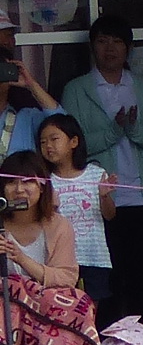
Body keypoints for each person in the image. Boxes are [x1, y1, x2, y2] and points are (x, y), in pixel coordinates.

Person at [59, 14, 143, 330]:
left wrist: (131, 127)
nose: (110, 48)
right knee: (106, 282)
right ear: (92, 47)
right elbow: (73, 146)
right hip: (98, 201)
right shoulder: (77, 89)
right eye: (102, 41)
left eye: (117, 42)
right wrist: (113, 130)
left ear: (128, 48)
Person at [2, 148, 95, 345]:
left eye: (28, 181)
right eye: (11, 182)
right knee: (6, 299)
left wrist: (21, 259)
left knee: (80, 303)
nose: (19, 189)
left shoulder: (59, 225)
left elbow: (67, 277)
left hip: (45, 299)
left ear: (42, 185)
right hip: (8, 302)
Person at [36, 113, 112, 311]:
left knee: (89, 311)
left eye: (54, 139)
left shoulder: (96, 174)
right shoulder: (45, 180)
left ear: (74, 142)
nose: (48, 146)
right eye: (43, 142)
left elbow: (110, 215)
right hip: (59, 259)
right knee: (62, 310)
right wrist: (50, 208)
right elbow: (41, 221)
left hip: (94, 256)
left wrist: (104, 197)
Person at [0, 8, 63, 159]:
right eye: (6, 35)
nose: (10, 42)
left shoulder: (26, 117)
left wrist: (31, 84)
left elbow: (64, 127)